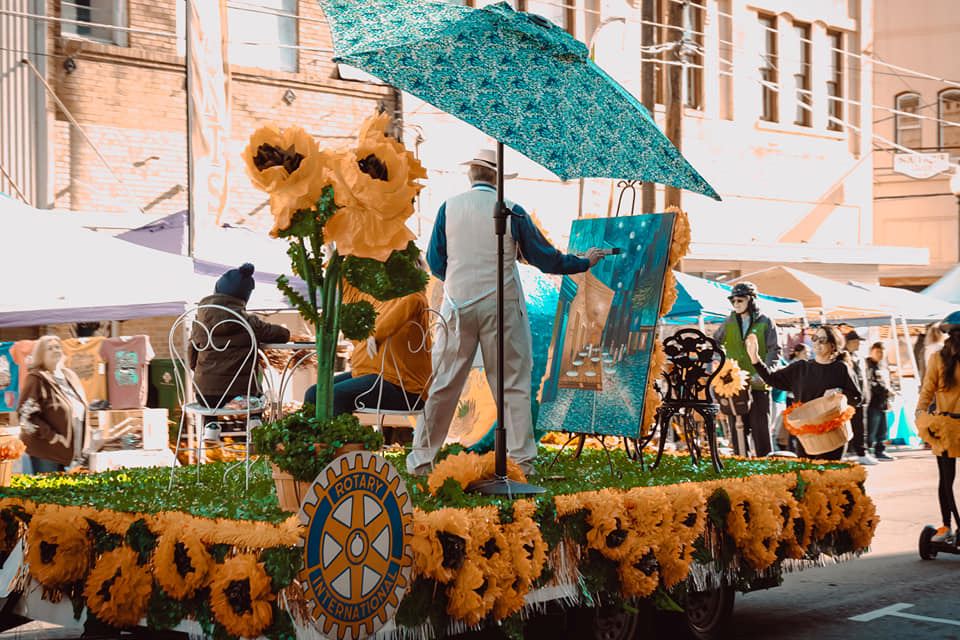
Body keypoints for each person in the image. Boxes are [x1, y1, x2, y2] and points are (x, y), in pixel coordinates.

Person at [407, 149, 604, 476]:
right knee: (512, 383)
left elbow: (437, 262)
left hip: (457, 305)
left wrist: (462, 277)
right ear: (497, 180)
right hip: (501, 305)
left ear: (471, 175)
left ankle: (421, 462)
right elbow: (547, 259)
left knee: (444, 384)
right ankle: (522, 462)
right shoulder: (512, 211)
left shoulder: (448, 208)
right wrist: (584, 261)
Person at [304, 283, 431, 423]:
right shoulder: (375, 300)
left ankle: (342, 443)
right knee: (313, 393)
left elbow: (414, 299)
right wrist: (334, 261)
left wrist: (376, 334)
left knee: (335, 395)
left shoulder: (414, 297)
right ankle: (314, 442)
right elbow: (348, 288)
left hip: (405, 389)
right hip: (372, 375)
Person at [745, 324, 861, 461]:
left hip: (832, 436)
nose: (817, 343)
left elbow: (856, 398)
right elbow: (771, 379)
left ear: (833, 345)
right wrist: (755, 359)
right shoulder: (800, 368)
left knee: (828, 478)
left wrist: (840, 394)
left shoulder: (841, 368)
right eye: (815, 338)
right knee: (807, 476)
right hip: (807, 437)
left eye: (822, 340)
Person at [190, 263, 290, 407]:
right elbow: (282, 335)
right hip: (239, 396)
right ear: (244, 297)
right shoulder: (248, 322)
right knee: (260, 399)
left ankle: (210, 426)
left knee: (211, 404)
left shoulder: (199, 321)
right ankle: (255, 426)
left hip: (204, 394)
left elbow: (191, 356)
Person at [713, 281, 780, 457]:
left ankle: (765, 470)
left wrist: (766, 373)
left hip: (758, 385)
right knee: (737, 432)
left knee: (761, 433)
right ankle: (741, 472)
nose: (736, 304)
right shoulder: (728, 321)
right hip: (734, 386)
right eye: (733, 301)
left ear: (751, 300)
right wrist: (719, 364)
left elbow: (775, 349)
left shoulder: (766, 321)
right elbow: (715, 343)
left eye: (740, 300)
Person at [916, 312, 960, 543]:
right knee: (945, 480)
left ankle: (946, 528)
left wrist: (920, 415)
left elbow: (926, 392)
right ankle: (947, 527)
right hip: (946, 426)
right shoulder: (938, 359)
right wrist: (920, 414)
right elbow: (927, 392)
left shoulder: (937, 358)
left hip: (944, 425)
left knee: (946, 480)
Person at [16, 336, 87, 473]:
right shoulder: (37, 378)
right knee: (48, 492)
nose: (55, 350)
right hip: (46, 452)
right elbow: (25, 415)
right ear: (41, 354)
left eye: (57, 347)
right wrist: (52, 436)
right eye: (50, 348)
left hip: (71, 453)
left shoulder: (69, 376)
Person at [844, 330, 876, 465]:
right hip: (849, 399)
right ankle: (858, 452)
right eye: (856, 342)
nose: (858, 344)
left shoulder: (858, 357)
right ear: (849, 342)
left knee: (860, 427)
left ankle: (861, 452)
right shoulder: (844, 357)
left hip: (861, 398)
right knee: (851, 427)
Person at [866, 341, 895, 461]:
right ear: (871, 351)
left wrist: (889, 392)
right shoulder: (868, 366)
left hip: (882, 402)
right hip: (873, 402)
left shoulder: (882, 365)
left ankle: (880, 450)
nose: (880, 354)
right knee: (872, 430)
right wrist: (886, 390)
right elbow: (871, 383)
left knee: (882, 429)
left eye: (882, 352)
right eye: (877, 352)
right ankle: (868, 451)